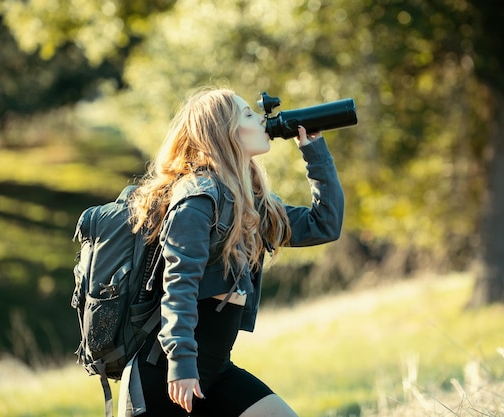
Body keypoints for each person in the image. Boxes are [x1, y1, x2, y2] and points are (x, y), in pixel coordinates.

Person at [123, 87, 345, 417]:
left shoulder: (251, 204)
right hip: (167, 374)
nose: (261, 120)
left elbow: (324, 223)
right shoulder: (198, 199)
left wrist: (313, 150)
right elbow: (179, 286)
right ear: (224, 132)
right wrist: (182, 365)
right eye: (249, 115)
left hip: (215, 371)